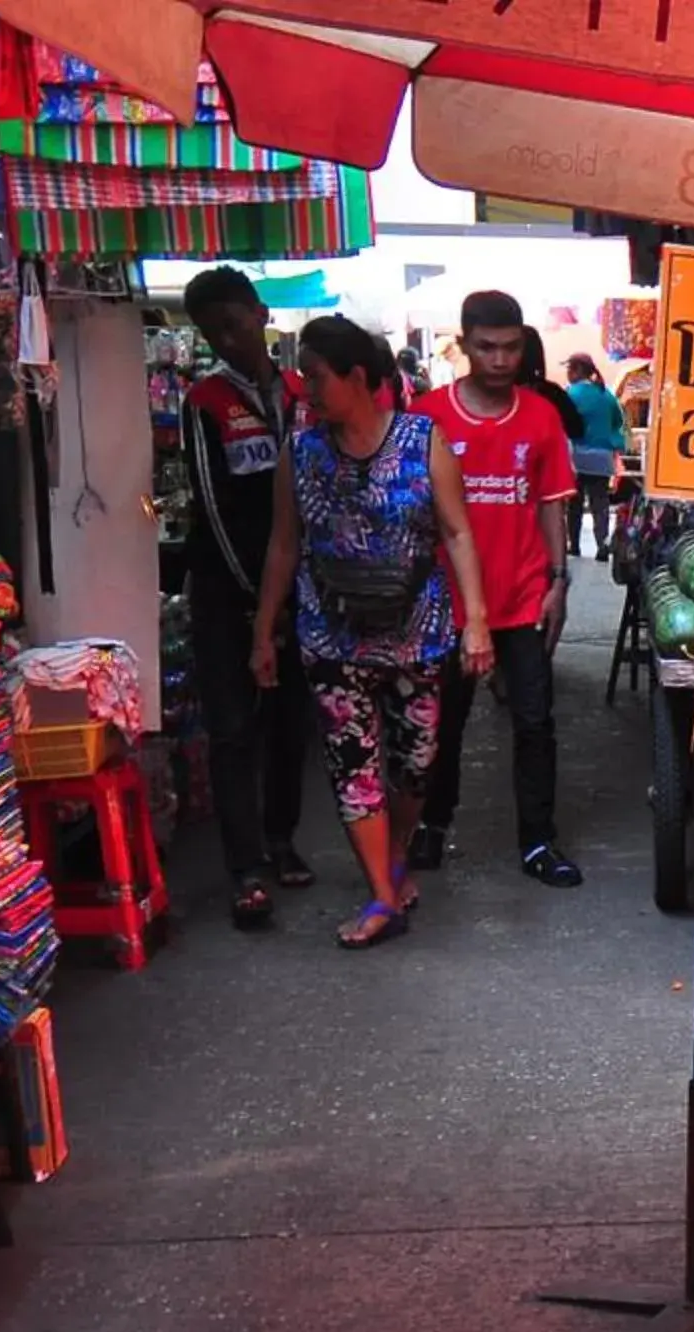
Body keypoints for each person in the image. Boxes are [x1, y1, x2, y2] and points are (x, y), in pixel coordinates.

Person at [250, 318, 494, 949]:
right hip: (331, 638)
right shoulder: (300, 453)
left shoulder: (422, 441)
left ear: (358, 377)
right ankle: (383, 897)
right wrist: (262, 632)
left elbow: (458, 532)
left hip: (418, 634)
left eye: (317, 375)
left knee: (417, 763)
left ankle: (393, 857)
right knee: (352, 764)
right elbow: (283, 545)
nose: (306, 388)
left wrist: (478, 625)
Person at [418, 292, 583, 886]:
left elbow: (550, 508)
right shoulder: (426, 415)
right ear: (463, 345)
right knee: (441, 724)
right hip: (445, 607)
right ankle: (430, 827)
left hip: (521, 599)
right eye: (486, 347)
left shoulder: (541, 417)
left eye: (511, 347)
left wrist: (559, 581)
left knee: (535, 722)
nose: (499, 358)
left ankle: (538, 841)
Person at [178, 266, 316, 928]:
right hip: (224, 590)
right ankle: (244, 869)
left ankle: (282, 837)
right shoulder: (203, 401)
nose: (227, 339)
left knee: (292, 725)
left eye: (234, 324)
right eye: (213, 332)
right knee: (233, 730)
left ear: (260, 314)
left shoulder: (300, 392)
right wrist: (256, 598)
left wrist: (297, 593)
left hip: (299, 592)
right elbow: (209, 504)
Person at [562, 353, 628, 561]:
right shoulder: (607, 394)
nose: (568, 373)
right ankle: (602, 544)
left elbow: (562, 424)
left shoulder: (570, 394)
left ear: (577, 370)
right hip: (602, 458)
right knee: (600, 503)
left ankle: (574, 545)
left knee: (575, 504)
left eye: (569, 369)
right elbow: (618, 421)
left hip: (578, 457)